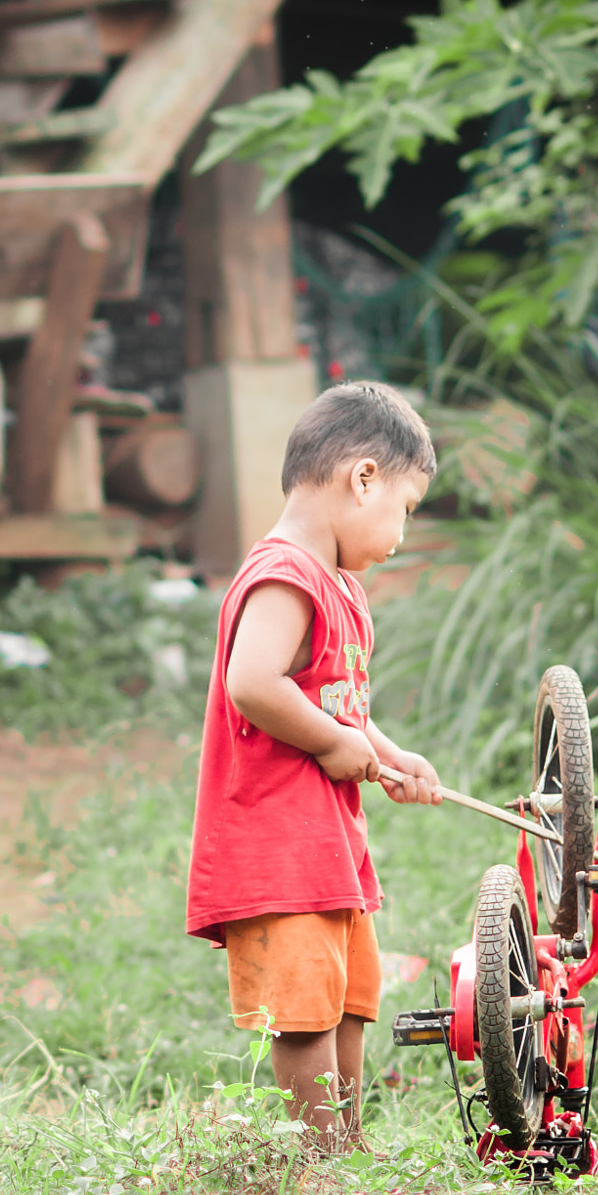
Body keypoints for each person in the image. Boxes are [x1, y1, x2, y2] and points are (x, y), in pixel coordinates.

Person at [187, 381, 445, 1151]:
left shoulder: (340, 587)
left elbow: (337, 707)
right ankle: (320, 1158)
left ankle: (349, 1148)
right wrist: (336, 746)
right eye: (405, 508)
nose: (402, 531)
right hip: (277, 842)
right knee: (304, 1009)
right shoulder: (286, 574)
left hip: (327, 844)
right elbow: (253, 682)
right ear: (363, 478)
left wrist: (385, 753)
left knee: (347, 999)